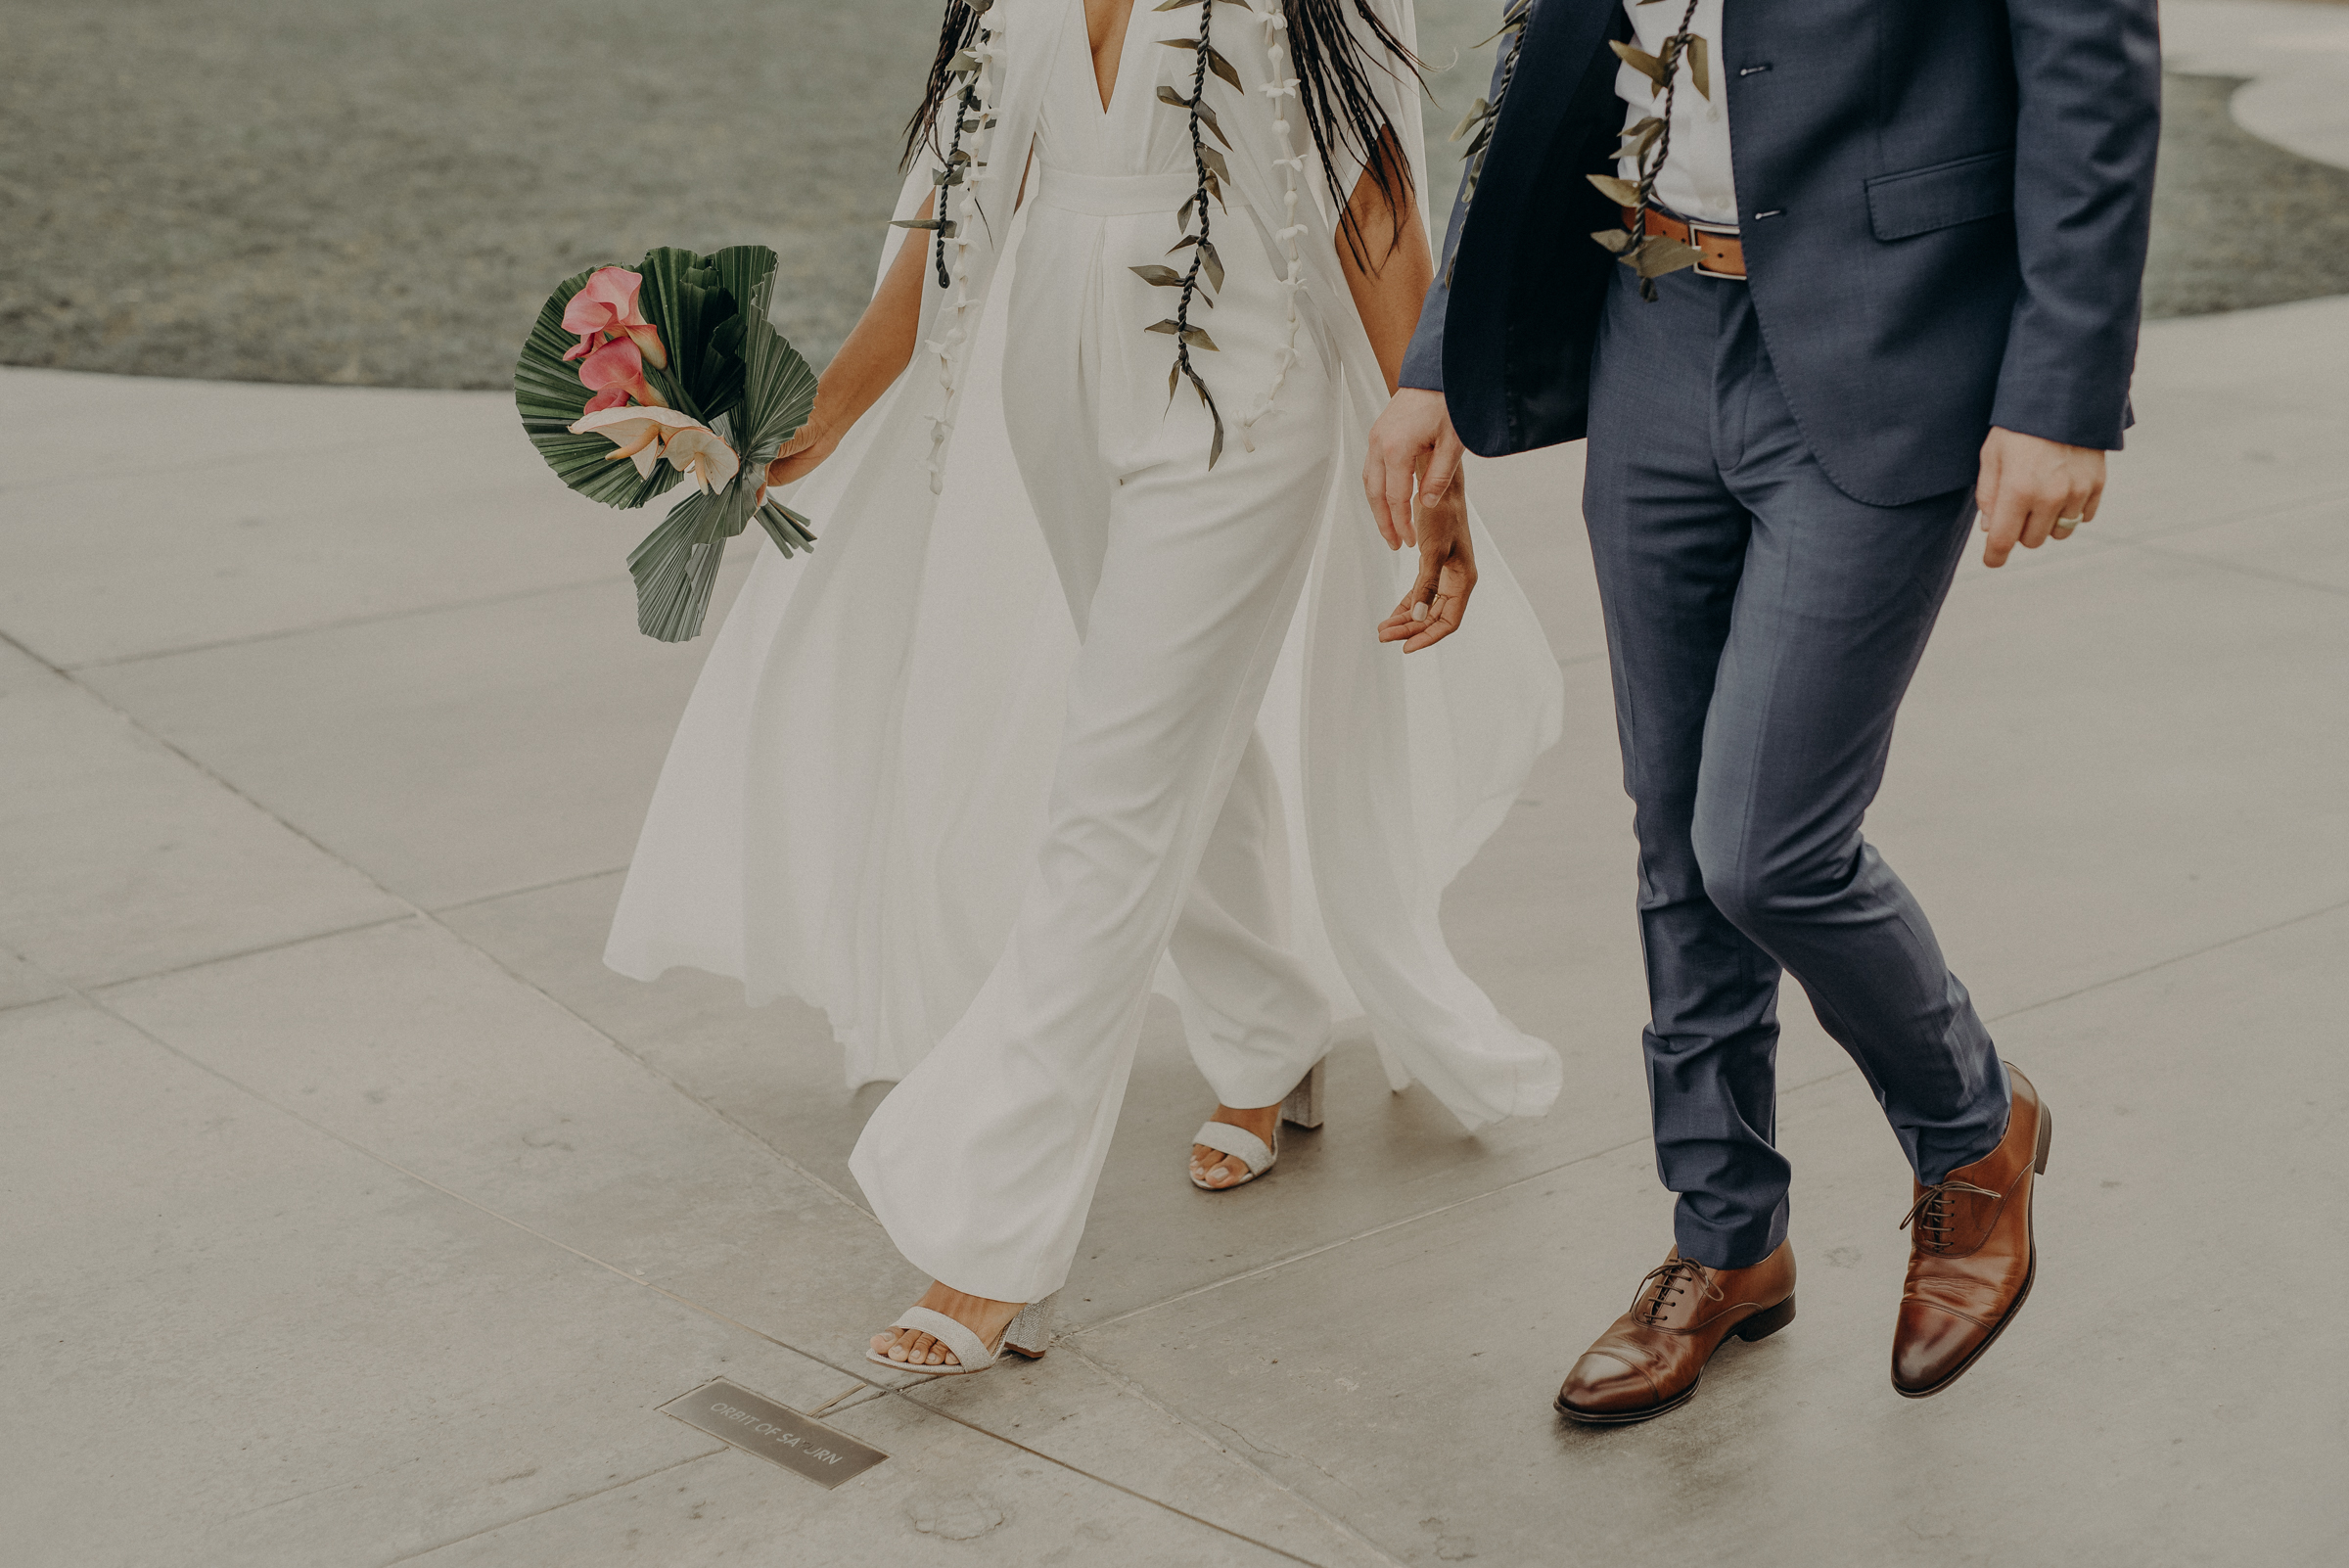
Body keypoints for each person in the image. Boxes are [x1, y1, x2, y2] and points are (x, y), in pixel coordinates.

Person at [604, 0, 1567, 1376]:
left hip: (1241, 393)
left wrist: (1439, 453)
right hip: (1057, 380)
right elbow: (953, 209)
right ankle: (1268, 1020)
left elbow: (1371, 196)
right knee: (1175, 735)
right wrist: (817, 415)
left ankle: (993, 1231)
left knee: (1109, 793)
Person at [1368, 0, 2158, 1419]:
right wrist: (1435, 359)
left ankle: (1972, 1125)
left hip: (1888, 336)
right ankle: (1724, 1238)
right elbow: (1550, 61)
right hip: (1654, 321)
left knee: (1765, 843)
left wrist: (2064, 389)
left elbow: (2091, 65)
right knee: (1673, 834)